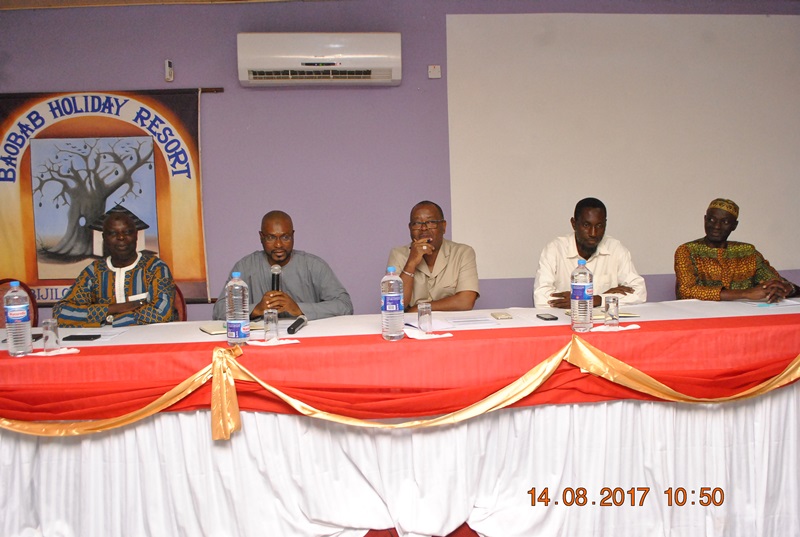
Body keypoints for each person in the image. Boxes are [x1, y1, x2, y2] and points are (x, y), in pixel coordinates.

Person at [212, 210, 353, 320]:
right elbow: (219, 310)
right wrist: (257, 309)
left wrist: (298, 309)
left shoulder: (314, 265)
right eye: (271, 238)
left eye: (285, 237)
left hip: (306, 339)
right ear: (261, 237)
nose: (278, 245)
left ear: (293, 235)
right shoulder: (245, 267)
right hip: (260, 341)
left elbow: (345, 306)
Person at [53, 212, 177, 327]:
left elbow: (161, 313)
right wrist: (113, 309)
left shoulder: (155, 267)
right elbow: (60, 313)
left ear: (136, 235)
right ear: (104, 238)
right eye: (113, 233)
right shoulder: (94, 272)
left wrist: (110, 320)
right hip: (103, 345)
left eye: (127, 232)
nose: (121, 237)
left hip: (150, 343)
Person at [674, 198, 798, 302]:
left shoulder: (747, 252)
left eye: (725, 222)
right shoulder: (687, 251)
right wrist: (745, 293)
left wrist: (785, 288)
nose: (716, 226)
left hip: (745, 317)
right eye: (712, 220)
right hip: (702, 319)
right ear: (705, 219)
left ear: (734, 225)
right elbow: (687, 291)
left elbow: (772, 281)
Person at [534, 197, 646, 309]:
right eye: (586, 225)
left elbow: (639, 292)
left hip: (606, 321)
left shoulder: (616, 248)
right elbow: (541, 298)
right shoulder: (555, 249)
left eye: (599, 226)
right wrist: (605, 297)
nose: (593, 233)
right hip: (564, 321)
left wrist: (598, 299)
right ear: (574, 224)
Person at [387, 200, 479, 312]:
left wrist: (419, 309)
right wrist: (411, 263)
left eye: (431, 222)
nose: (424, 228)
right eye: (417, 223)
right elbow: (394, 305)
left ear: (443, 226)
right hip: (411, 325)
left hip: (451, 323)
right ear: (410, 228)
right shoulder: (398, 254)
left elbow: (465, 301)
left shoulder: (463, 252)